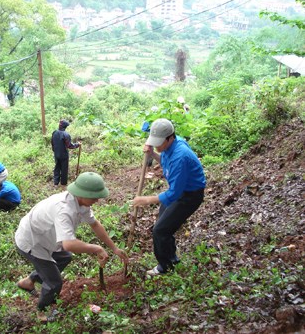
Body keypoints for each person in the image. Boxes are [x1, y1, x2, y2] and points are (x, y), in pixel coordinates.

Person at [15, 172, 128, 322]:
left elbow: (94, 224)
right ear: (82, 194)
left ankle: (28, 282)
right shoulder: (64, 209)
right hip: (32, 242)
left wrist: (114, 248)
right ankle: (42, 311)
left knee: (65, 257)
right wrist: (96, 248)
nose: (97, 200)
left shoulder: (81, 203)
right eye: (94, 196)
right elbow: (69, 244)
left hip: (46, 238)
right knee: (54, 282)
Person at [132, 118, 206, 276]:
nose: (157, 146)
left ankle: (165, 266)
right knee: (163, 225)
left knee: (160, 230)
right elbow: (166, 162)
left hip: (189, 196)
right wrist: (152, 153)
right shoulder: (170, 146)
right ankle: (172, 258)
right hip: (181, 190)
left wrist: (146, 200)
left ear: (170, 138)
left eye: (159, 143)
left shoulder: (181, 156)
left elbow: (174, 194)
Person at [51, 119, 81, 189]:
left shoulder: (54, 132)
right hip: (64, 155)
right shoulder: (66, 134)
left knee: (57, 167)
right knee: (64, 169)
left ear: (60, 126)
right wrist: (78, 145)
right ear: (65, 127)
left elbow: (52, 143)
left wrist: (54, 151)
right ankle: (63, 184)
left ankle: (56, 183)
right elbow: (69, 145)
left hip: (56, 153)